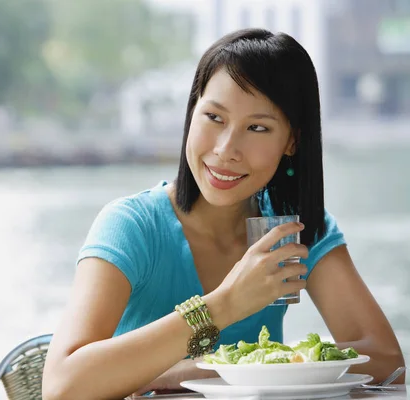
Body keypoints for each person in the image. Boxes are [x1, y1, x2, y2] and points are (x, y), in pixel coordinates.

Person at [41, 28, 405, 400]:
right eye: (214, 117)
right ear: (192, 111)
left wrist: (215, 369)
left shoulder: (292, 228)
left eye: (258, 127)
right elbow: (61, 387)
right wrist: (226, 304)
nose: (226, 149)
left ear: (292, 141)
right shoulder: (131, 225)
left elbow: (387, 362)